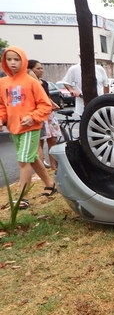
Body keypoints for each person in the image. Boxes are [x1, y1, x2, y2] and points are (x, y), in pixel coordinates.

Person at [0, 46, 57, 209]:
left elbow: (45, 105)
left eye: (16, 59)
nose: (12, 63)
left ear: (23, 61)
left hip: (31, 129)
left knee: (24, 160)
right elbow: (2, 105)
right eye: (9, 59)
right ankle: (50, 184)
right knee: (32, 158)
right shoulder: (3, 83)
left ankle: (22, 198)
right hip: (14, 128)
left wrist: (32, 117)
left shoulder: (32, 82)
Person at [27, 59, 63, 170]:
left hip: (49, 114)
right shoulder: (30, 83)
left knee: (53, 139)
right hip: (39, 114)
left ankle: (53, 165)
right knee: (40, 141)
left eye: (42, 68)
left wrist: (53, 104)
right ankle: (41, 167)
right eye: (38, 68)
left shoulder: (44, 83)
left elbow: (46, 96)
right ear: (30, 70)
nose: (41, 70)